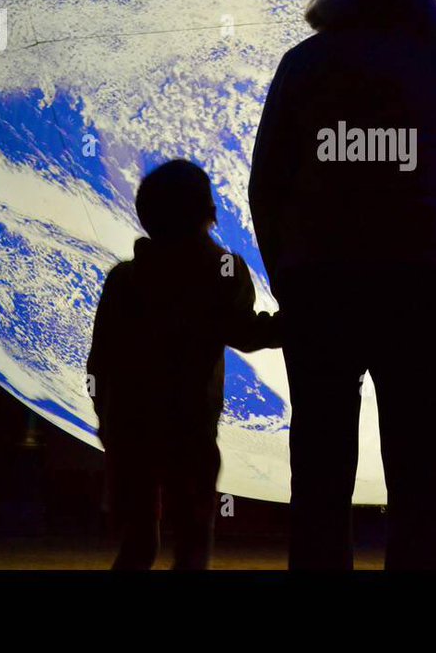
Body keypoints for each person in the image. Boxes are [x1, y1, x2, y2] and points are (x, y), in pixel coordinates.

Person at [249, 0, 436, 570]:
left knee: (320, 459)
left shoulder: (304, 63)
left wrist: (287, 279)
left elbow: (267, 180)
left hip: (322, 283)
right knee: (422, 459)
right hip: (425, 286)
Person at [87, 159, 277, 570]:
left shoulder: (122, 281)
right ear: (209, 211)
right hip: (189, 431)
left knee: (138, 545)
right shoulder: (222, 273)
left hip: (129, 431)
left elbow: (99, 363)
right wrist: (296, 323)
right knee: (193, 541)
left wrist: (108, 424)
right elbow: (246, 333)